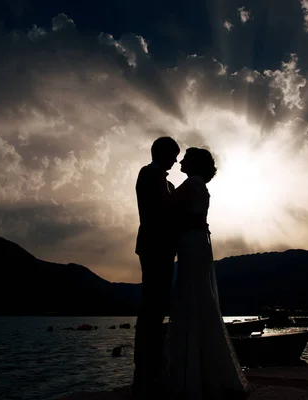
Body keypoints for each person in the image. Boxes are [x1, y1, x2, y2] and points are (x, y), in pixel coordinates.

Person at [165, 147, 248, 399]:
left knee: (190, 296)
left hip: (192, 243)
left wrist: (165, 185)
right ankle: (206, 369)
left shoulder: (191, 183)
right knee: (199, 297)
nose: (181, 160)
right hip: (197, 242)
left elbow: (167, 206)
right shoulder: (199, 184)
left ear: (195, 164)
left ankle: (191, 375)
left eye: (186, 158)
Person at [133, 136, 180, 399]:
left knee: (159, 306)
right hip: (152, 248)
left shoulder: (170, 182)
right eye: (173, 155)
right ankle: (143, 371)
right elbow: (159, 210)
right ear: (160, 153)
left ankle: (155, 368)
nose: (175, 160)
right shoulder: (148, 174)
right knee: (151, 306)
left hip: (166, 251)